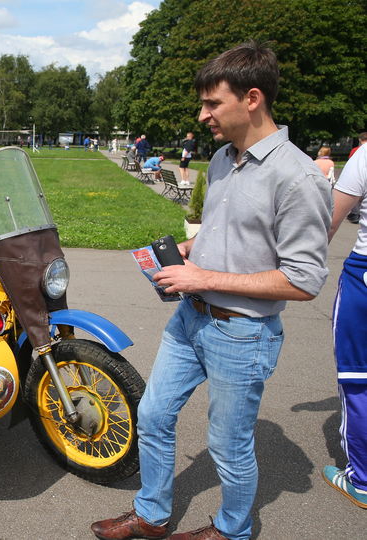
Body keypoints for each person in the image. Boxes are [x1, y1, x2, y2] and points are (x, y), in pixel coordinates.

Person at [91, 41, 331, 540]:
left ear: (253, 98)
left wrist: (202, 278)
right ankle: (152, 515)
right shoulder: (224, 158)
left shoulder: (299, 176)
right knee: (152, 414)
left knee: (228, 445)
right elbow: (222, 231)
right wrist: (185, 248)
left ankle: (231, 530)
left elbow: (304, 280)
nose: (202, 115)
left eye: (211, 103)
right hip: (190, 318)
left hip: (242, 333)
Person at [324, 137, 367, 509]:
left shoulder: (364, 157)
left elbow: (329, 224)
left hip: (364, 278)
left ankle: (363, 481)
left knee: (358, 380)